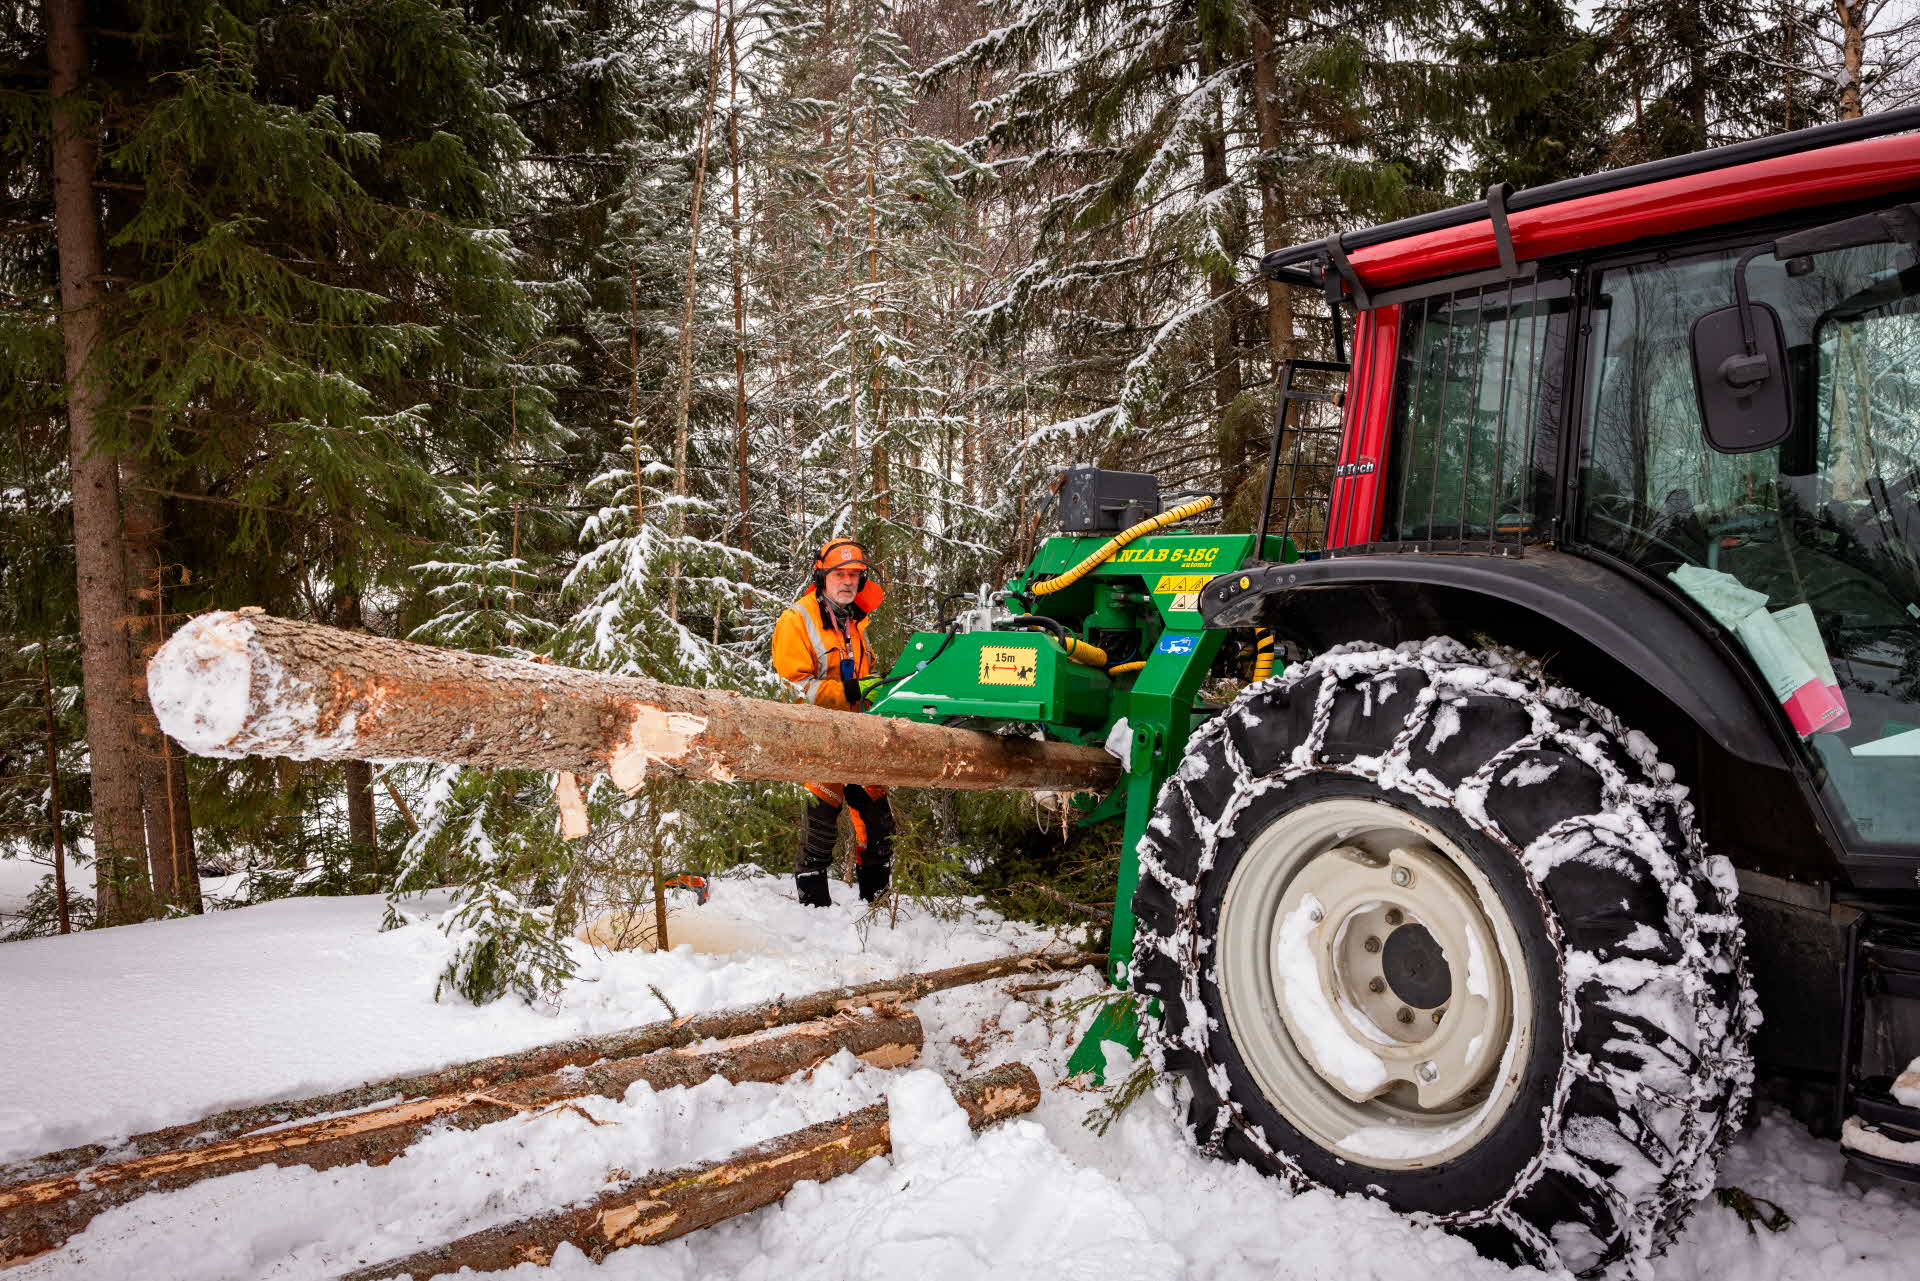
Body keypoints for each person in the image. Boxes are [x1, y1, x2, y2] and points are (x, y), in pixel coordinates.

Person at [770, 538, 894, 906]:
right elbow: (792, 686)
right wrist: (852, 690)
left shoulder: (854, 622)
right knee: (820, 826)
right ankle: (814, 910)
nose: (848, 582)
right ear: (821, 576)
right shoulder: (798, 619)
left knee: (878, 824)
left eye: (855, 575)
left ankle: (877, 905)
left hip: (860, 736)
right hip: (817, 736)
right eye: (839, 574)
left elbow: (864, 675)